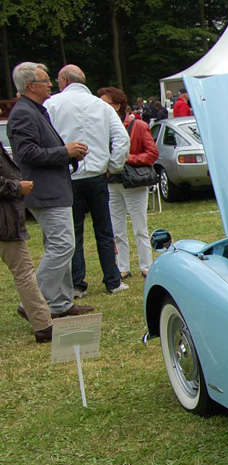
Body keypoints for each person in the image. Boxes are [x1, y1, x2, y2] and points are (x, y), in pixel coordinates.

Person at [7, 62, 94, 318]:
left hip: (53, 188)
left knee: (60, 244)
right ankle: (34, 302)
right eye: (45, 80)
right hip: (45, 191)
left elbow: (39, 148)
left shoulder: (35, 110)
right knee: (63, 245)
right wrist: (64, 151)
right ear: (31, 85)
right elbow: (27, 154)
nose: (50, 85)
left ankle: (60, 304)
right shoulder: (24, 113)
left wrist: (69, 153)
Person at [46, 65, 130, 296]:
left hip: (68, 176)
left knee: (74, 232)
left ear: (63, 80)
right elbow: (122, 138)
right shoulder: (101, 106)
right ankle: (112, 280)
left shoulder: (51, 104)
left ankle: (77, 284)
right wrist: (112, 166)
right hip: (96, 175)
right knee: (104, 230)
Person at [98, 87, 158, 278]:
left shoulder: (138, 125)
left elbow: (152, 153)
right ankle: (123, 267)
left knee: (139, 226)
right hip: (112, 182)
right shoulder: (100, 127)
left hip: (134, 182)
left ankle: (146, 265)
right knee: (117, 228)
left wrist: (127, 157)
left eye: (105, 103)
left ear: (117, 105)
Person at [2, 140, 53, 342]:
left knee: (24, 271)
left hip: (6, 221)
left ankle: (43, 325)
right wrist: (16, 187)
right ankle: (43, 326)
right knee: (24, 272)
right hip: (4, 224)